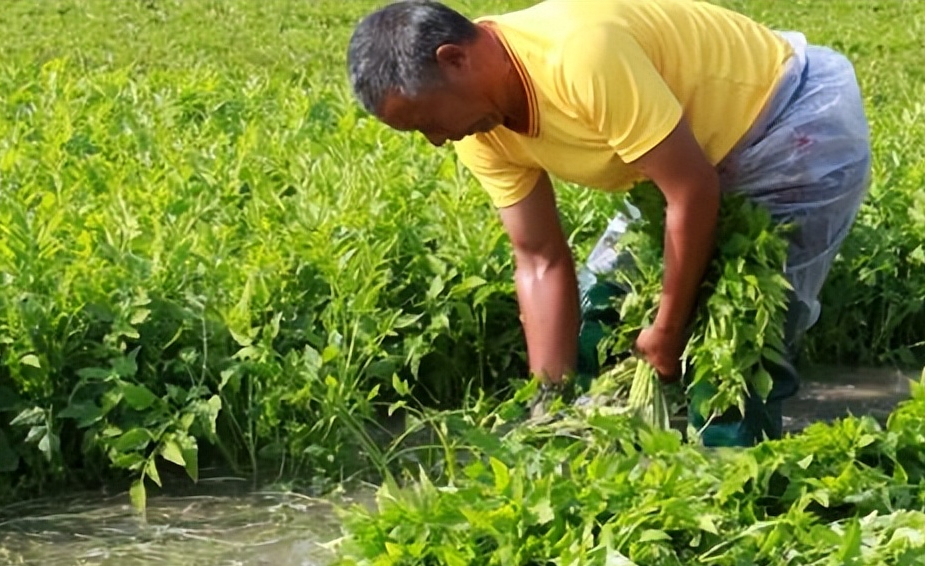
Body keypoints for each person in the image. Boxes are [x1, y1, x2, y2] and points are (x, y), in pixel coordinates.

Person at [346, 0, 872, 446]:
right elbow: (539, 257)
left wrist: (667, 330)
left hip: (789, 123)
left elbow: (691, 190)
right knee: (599, 326)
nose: (436, 140)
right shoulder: (478, 131)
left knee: (736, 354)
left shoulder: (580, 54)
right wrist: (547, 404)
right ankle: (609, 454)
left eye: (427, 122)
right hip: (681, 161)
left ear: (454, 59)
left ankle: (736, 492)